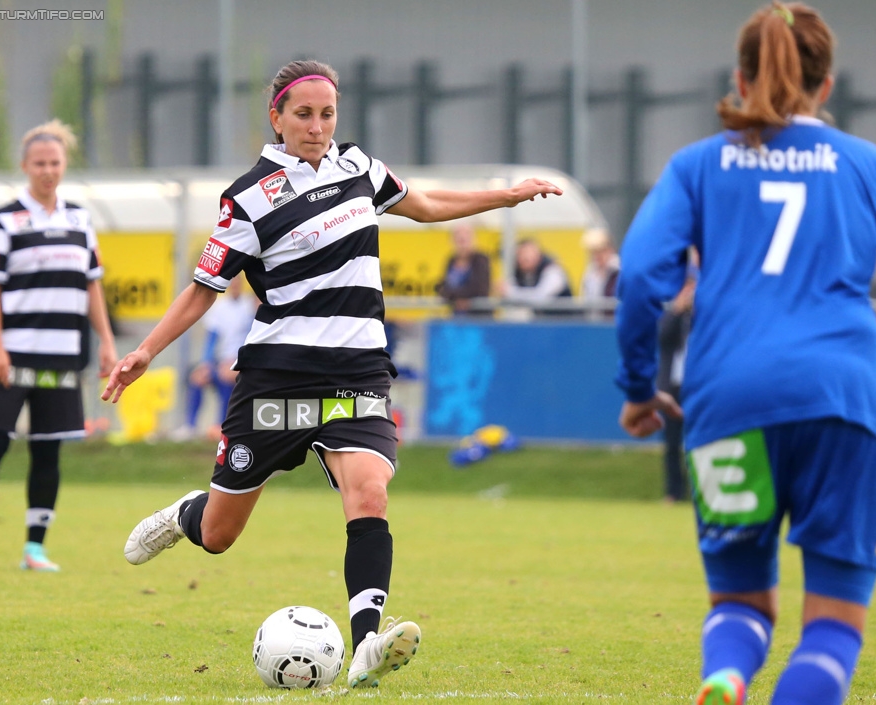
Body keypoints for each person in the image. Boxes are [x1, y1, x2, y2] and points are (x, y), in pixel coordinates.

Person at [102, 60, 561, 689]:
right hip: (278, 380)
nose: (318, 128)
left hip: (357, 372)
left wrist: (504, 196)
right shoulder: (248, 199)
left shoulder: (359, 168)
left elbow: (424, 204)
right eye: (304, 115)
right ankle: (190, 515)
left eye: (328, 115)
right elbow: (204, 288)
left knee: (369, 491)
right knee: (220, 534)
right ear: (277, 118)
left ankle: (367, 645)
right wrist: (145, 351)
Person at [613, 3, 876, 704]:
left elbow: (640, 277)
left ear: (740, 76)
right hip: (844, 398)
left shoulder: (698, 164)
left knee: (739, 601)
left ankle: (727, 677)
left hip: (727, 400)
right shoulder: (866, 165)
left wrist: (640, 388)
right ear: (826, 86)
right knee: (833, 627)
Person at [0, 119, 117, 572]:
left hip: (63, 357)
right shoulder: (3, 220)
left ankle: (35, 549)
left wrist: (107, 343)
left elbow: (93, 287)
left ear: (64, 165)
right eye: (39, 164)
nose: (48, 171)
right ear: (24, 166)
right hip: (11, 357)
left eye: (54, 163)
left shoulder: (80, 220)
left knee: (48, 448)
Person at [170, 274, 257, 441]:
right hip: (220, 361)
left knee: (227, 378)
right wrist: (206, 363)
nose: (235, 286)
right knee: (197, 378)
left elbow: (250, 338)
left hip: (239, 362)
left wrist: (237, 361)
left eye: (239, 283)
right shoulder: (219, 307)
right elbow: (211, 339)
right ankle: (190, 426)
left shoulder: (249, 307)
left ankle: (222, 426)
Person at [656, 269, 695, 503]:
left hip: (697, 387)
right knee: (671, 443)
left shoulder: (704, 317)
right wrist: (678, 308)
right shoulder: (674, 316)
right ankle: (673, 491)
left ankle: (699, 491)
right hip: (672, 387)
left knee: (698, 442)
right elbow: (661, 336)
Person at [501, 238, 573, 316]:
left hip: (564, 322)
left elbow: (540, 298)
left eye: (527, 253)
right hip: (541, 323)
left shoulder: (553, 271)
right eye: (520, 255)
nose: (523, 258)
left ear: (538, 254)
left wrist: (511, 292)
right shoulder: (521, 274)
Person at [435, 223, 491, 316]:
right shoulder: (451, 260)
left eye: (465, 240)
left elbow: (480, 288)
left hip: (478, 316)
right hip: (456, 315)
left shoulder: (481, 260)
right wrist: (457, 298)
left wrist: (455, 296)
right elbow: (442, 287)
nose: (462, 244)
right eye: (459, 240)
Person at [578, 227, 620, 310]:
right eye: (593, 252)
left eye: (600, 251)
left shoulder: (619, 271)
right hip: (595, 320)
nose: (597, 256)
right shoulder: (590, 273)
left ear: (609, 249)